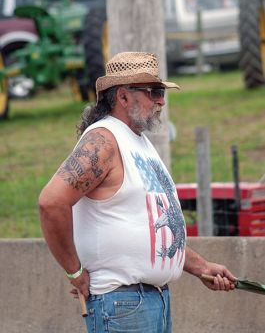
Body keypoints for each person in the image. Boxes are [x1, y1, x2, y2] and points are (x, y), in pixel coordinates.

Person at [39, 51, 236, 333]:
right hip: (123, 304)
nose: (161, 100)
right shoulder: (103, 140)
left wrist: (201, 266)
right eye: (154, 91)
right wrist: (75, 271)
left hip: (149, 300)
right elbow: (51, 202)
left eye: (161, 92)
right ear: (123, 96)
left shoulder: (137, 141)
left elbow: (150, 229)